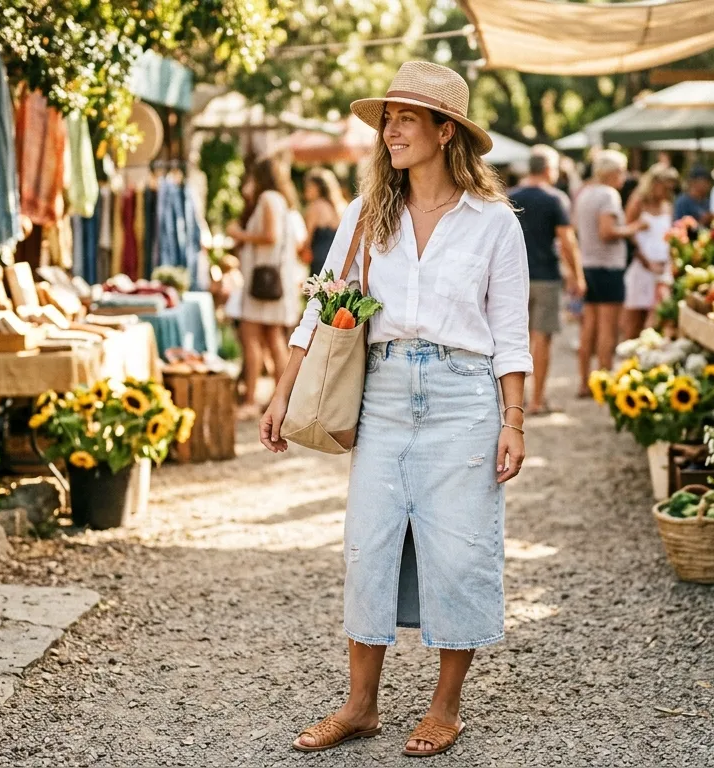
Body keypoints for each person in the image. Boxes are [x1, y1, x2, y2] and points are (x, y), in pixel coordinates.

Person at [260, 61, 530, 759]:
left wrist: (514, 420)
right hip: (380, 392)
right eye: (388, 118)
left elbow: (510, 332)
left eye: (406, 118)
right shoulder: (365, 213)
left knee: (459, 549)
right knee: (370, 546)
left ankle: (445, 707)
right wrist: (283, 388)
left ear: (447, 132)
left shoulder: (495, 223)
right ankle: (360, 706)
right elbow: (324, 305)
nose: (391, 130)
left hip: (463, 396)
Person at [509, 145, 583, 415]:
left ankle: (512, 404)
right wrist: (577, 276)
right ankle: (537, 400)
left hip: (512, 278)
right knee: (542, 339)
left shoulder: (508, 197)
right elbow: (567, 241)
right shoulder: (556, 199)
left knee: (514, 340)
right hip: (545, 277)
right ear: (549, 170)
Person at [228, 156, 302, 415]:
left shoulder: (268, 198)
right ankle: (283, 398)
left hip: (263, 284)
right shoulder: (278, 200)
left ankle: (249, 400)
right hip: (274, 283)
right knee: (273, 339)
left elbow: (270, 236)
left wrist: (239, 235)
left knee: (251, 337)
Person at [573, 149, 644, 397]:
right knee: (608, 328)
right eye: (622, 172)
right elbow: (607, 231)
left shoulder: (584, 194)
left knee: (589, 326)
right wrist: (633, 228)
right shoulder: (608, 195)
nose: (623, 177)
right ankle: (603, 382)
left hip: (589, 265)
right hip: (608, 267)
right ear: (613, 173)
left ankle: (584, 382)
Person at [621, 170, 674, 340]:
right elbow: (628, 234)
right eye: (665, 187)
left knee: (657, 320)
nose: (668, 191)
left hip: (661, 268)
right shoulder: (638, 203)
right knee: (634, 321)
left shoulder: (667, 205)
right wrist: (647, 262)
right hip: (641, 266)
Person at [300, 169, 346, 277]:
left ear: (318, 187)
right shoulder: (342, 206)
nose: (306, 190)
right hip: (339, 260)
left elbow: (307, 238)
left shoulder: (316, 206)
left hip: (319, 260)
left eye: (309, 186)